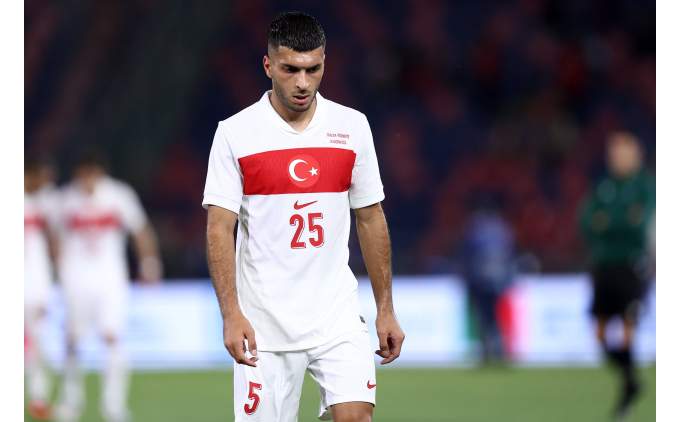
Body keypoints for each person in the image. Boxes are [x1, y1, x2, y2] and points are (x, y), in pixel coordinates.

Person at [203, 11, 405, 422]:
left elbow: (370, 217)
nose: (302, 82)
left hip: (336, 315)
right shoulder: (235, 133)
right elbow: (220, 228)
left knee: (356, 416)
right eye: (290, 69)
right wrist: (230, 314)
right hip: (264, 325)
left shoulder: (352, 127)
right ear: (268, 66)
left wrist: (385, 307)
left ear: (324, 63)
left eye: (313, 69)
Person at [54, 151, 162, 422]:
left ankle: (113, 405)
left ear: (100, 172)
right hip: (76, 278)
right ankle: (70, 401)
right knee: (73, 340)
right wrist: (58, 269)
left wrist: (149, 262)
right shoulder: (66, 199)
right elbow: (54, 237)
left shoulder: (118, 195)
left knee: (113, 337)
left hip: (110, 278)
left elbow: (140, 230)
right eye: (82, 173)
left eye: (91, 173)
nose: (87, 179)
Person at [579, 132, 655, 421]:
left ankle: (628, 386)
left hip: (631, 268)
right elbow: (587, 222)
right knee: (599, 334)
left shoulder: (645, 187)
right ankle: (631, 379)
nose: (618, 159)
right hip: (604, 267)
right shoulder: (604, 186)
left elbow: (638, 226)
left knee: (627, 327)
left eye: (623, 154)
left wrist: (608, 223)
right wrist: (617, 222)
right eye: (614, 154)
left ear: (636, 156)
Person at [459, 197, 515, 364]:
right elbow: (509, 254)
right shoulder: (503, 229)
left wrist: (467, 278)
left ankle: (488, 352)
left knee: (484, 317)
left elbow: (467, 255)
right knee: (495, 317)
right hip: (498, 281)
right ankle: (498, 351)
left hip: (480, 281)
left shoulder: (475, 228)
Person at [25, 157, 59, 420]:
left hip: (36, 285)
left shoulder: (46, 203)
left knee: (37, 341)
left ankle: (38, 397)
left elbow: (55, 239)